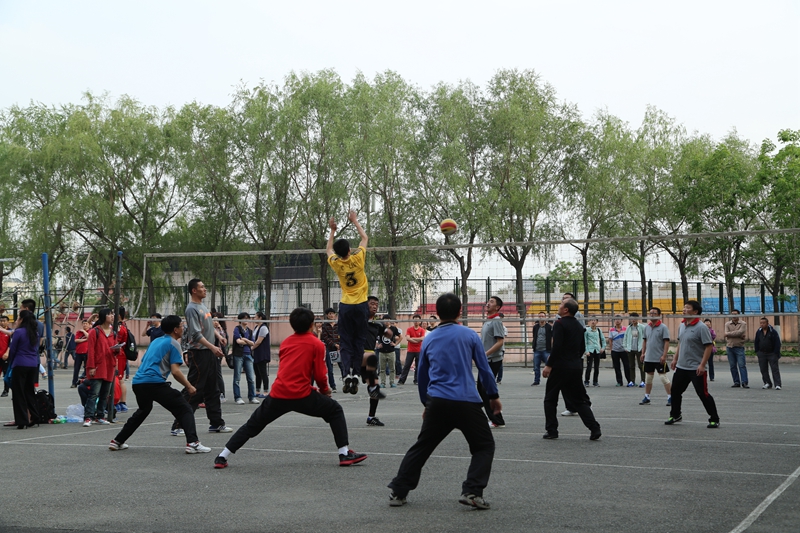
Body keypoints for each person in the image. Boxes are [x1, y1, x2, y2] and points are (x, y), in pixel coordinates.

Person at [212, 307, 367, 469]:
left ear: (292, 325)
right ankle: (344, 453)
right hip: (302, 395)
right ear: (312, 324)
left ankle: (222, 456)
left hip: (278, 394)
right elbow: (320, 375)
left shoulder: (286, 342)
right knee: (335, 410)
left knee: (253, 425)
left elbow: (289, 369)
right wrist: (324, 390)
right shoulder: (317, 344)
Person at [387, 293, 501, 510]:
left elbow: (422, 375)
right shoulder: (469, 335)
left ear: (437, 313)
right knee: (484, 446)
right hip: (466, 401)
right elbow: (484, 369)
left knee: (422, 447)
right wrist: (493, 396)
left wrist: (426, 403)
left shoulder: (429, 339)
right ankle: (472, 491)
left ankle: (399, 491)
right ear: (460, 312)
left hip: (438, 401)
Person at [109, 315, 212, 454]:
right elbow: (176, 371)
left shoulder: (156, 341)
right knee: (185, 408)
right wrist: (189, 386)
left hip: (138, 382)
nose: (183, 328)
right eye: (181, 326)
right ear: (175, 329)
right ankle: (193, 443)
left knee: (143, 410)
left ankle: (117, 441)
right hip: (154, 383)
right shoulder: (173, 344)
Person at [327, 211, 383, 399]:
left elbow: (328, 250)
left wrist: (332, 231)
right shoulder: (358, 258)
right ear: (350, 250)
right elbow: (364, 238)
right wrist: (355, 221)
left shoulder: (336, 263)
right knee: (359, 341)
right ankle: (357, 375)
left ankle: (346, 375)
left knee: (345, 342)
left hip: (345, 306)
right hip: (360, 306)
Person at [171, 278, 232, 436]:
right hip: (199, 353)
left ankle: (216, 423)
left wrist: (218, 336)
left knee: (213, 389)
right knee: (193, 389)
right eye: (202, 287)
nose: (205, 289)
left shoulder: (203, 306)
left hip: (209, 352)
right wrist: (212, 347)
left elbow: (209, 325)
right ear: (194, 290)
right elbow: (196, 334)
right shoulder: (191, 309)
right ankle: (178, 424)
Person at [542, 298, 602, 440]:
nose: (559, 306)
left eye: (561, 304)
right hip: (575, 366)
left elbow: (557, 346)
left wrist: (549, 365)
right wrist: (574, 359)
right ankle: (594, 428)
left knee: (550, 399)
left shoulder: (559, 324)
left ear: (566, 310)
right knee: (579, 399)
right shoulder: (579, 326)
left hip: (560, 367)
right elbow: (582, 348)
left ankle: (552, 430)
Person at [665, 301, 720, 428]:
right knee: (675, 391)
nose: (684, 309)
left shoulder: (701, 327)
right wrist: (675, 359)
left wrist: (702, 365)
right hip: (682, 366)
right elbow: (680, 343)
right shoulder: (682, 325)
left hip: (696, 368)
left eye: (687, 308)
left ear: (695, 312)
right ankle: (675, 414)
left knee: (703, 393)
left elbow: (708, 346)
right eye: (684, 307)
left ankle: (714, 418)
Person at [83, 309, 120, 426]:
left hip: (109, 367)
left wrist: (117, 349)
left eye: (112, 314)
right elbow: (91, 351)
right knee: (94, 393)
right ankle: (88, 417)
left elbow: (115, 350)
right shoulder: (95, 332)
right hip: (98, 366)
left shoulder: (113, 333)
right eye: (109, 314)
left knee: (105, 394)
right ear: (103, 316)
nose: (112, 316)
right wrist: (91, 367)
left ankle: (100, 416)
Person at [7, 311, 41, 428]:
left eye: (18, 318)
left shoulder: (18, 332)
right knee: (29, 391)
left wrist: (11, 362)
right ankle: (35, 416)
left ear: (22, 319)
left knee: (18, 393)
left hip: (20, 363)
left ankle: (22, 420)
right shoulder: (35, 333)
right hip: (33, 364)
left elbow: (13, 349)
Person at [480, 296, 505, 428]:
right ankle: (494, 417)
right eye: (488, 301)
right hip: (486, 359)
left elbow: (500, 342)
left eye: (491, 302)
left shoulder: (496, 321)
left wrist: (486, 354)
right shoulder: (488, 321)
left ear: (497, 307)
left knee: (485, 389)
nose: (488, 303)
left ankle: (497, 420)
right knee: (481, 388)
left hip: (492, 360)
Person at [638, 307, 672, 406]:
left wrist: (664, 355)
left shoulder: (663, 327)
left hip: (659, 357)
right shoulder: (647, 327)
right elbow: (645, 341)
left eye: (654, 313)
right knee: (648, 378)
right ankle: (647, 397)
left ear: (659, 315)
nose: (652, 315)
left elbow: (666, 342)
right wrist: (643, 353)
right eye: (651, 313)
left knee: (663, 377)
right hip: (649, 357)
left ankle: (670, 397)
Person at [364, 296, 386, 425]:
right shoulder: (359, 321)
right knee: (373, 386)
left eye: (376, 305)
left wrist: (389, 332)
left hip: (371, 356)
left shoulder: (377, 324)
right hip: (359, 355)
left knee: (375, 387)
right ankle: (349, 377)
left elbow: (386, 333)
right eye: (372, 304)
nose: (374, 306)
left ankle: (371, 417)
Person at [231, 312, 259, 405]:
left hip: (248, 355)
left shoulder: (250, 331)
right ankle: (238, 397)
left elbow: (253, 343)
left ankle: (252, 397)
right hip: (238, 355)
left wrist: (245, 339)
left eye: (247, 318)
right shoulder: (237, 329)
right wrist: (247, 341)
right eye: (244, 318)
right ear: (240, 320)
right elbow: (238, 341)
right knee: (237, 378)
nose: (246, 320)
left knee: (251, 378)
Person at [754, 317, 782, 390]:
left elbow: (777, 342)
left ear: (767, 323)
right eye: (761, 323)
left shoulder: (773, 331)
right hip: (762, 353)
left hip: (772, 353)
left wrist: (776, 353)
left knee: (774, 369)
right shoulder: (759, 331)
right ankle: (767, 383)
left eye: (763, 323)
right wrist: (757, 351)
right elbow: (756, 341)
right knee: (763, 369)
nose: (762, 324)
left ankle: (777, 384)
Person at [724, 309, 749, 388]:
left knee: (742, 365)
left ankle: (744, 382)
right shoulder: (727, 324)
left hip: (739, 347)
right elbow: (726, 333)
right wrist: (737, 334)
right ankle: (736, 382)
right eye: (732, 314)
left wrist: (729, 334)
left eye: (735, 314)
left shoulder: (743, 323)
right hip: (730, 347)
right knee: (732, 366)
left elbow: (740, 332)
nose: (733, 316)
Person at [399, 315, 425, 386]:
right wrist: (417, 340)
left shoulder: (422, 330)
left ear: (420, 321)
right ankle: (402, 380)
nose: (416, 321)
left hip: (419, 350)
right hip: (410, 350)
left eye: (417, 320)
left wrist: (412, 338)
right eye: (415, 320)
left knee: (418, 366)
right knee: (406, 365)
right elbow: (407, 338)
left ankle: (416, 380)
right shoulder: (409, 329)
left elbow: (422, 338)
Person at [320, 308, 340, 393]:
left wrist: (340, 345)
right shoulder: (325, 326)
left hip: (339, 349)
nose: (331, 315)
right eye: (329, 314)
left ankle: (346, 381)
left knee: (343, 367)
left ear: (335, 315)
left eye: (332, 313)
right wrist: (334, 345)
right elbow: (325, 338)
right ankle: (333, 386)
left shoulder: (339, 325)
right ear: (327, 315)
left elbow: (342, 335)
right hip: (329, 349)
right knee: (330, 369)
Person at [252, 311, 271, 398]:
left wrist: (251, 348)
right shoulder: (256, 327)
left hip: (262, 354)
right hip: (256, 354)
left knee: (263, 373)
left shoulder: (263, 328)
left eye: (255, 317)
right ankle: (257, 391)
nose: (254, 318)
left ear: (260, 318)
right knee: (257, 373)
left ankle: (266, 392)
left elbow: (259, 341)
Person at [623, 313, 646, 387]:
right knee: (631, 366)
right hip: (630, 349)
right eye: (632, 318)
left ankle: (643, 381)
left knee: (641, 365)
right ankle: (632, 381)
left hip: (639, 349)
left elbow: (646, 338)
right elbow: (625, 337)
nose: (633, 320)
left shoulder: (642, 327)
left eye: (635, 318)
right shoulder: (628, 328)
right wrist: (625, 347)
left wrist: (644, 348)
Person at [608, 316, 632, 387]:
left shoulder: (626, 329)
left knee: (627, 366)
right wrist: (611, 349)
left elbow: (628, 338)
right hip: (615, 351)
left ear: (621, 321)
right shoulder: (611, 330)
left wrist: (628, 348)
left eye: (619, 319)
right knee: (617, 367)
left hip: (624, 351)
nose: (617, 321)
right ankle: (619, 381)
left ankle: (629, 381)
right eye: (616, 319)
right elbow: (610, 340)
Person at [530, 312, 552, 386]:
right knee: (536, 366)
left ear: (545, 317)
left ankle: (551, 380)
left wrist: (551, 348)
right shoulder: (535, 327)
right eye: (539, 316)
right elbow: (534, 336)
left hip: (546, 350)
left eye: (542, 316)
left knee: (549, 365)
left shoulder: (549, 327)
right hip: (537, 350)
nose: (541, 317)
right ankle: (536, 381)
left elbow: (551, 338)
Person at [583, 318, 605, 387]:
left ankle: (595, 381)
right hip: (590, 350)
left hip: (597, 350)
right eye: (592, 320)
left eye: (594, 320)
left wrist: (603, 348)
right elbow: (585, 341)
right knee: (589, 367)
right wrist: (586, 351)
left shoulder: (598, 330)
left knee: (596, 367)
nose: (593, 322)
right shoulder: (587, 330)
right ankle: (586, 381)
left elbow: (603, 339)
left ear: (597, 322)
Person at [376, 324, 398, 390]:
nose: (386, 321)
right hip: (382, 352)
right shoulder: (380, 328)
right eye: (385, 320)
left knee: (392, 368)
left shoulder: (393, 328)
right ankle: (383, 383)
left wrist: (395, 344)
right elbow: (374, 337)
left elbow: (400, 336)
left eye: (388, 319)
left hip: (391, 351)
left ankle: (392, 382)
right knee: (382, 369)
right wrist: (377, 345)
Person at [72, 320, 90, 387]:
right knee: (76, 369)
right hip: (78, 352)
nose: (85, 325)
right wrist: (85, 340)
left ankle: (86, 383)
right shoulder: (78, 332)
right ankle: (74, 383)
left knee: (86, 369)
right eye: (84, 323)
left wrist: (84, 331)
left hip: (86, 352)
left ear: (89, 325)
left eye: (86, 323)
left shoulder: (90, 331)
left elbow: (89, 337)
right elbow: (76, 340)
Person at [0, 315, 11, 397]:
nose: (2, 322)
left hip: (5, 356)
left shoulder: (10, 332)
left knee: (6, 374)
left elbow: (11, 344)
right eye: (1, 321)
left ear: (8, 322)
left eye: (4, 321)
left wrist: (7, 353)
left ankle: (6, 390)